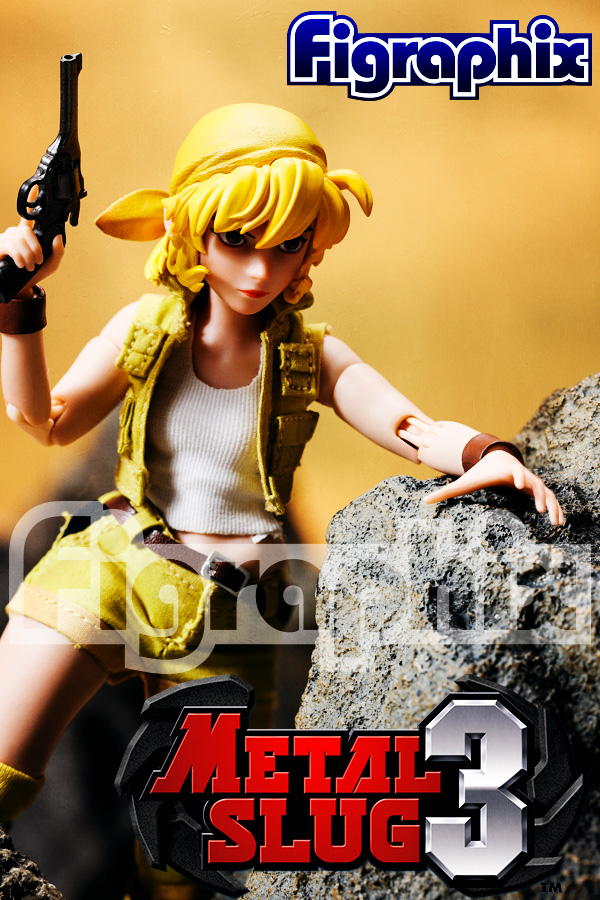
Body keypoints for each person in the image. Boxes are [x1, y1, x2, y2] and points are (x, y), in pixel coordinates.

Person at [0, 103, 562, 896]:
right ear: (192, 233)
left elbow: (406, 425)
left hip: (230, 612)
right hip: (116, 567)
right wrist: (19, 311)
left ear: (311, 244)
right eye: (238, 240)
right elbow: (45, 420)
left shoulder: (308, 354)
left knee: (193, 853)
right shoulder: (146, 330)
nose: (261, 270)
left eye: (287, 243)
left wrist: (487, 453)